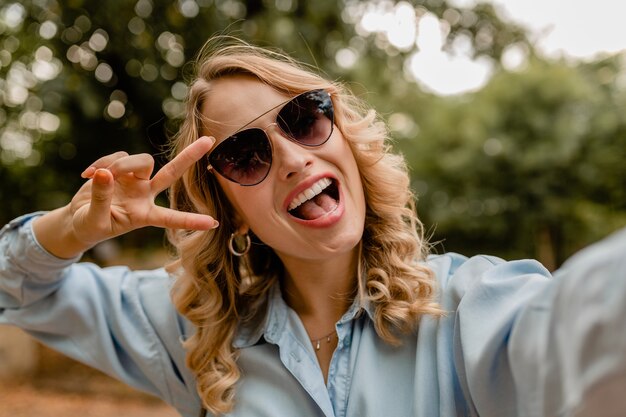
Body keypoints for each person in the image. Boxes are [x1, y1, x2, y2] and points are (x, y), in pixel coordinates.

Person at [1, 36, 625, 417]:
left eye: (303, 118)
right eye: (246, 155)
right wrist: (72, 230)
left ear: (344, 138)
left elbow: (583, 340)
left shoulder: (468, 310)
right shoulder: (194, 334)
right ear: (227, 212)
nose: (294, 157)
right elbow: (17, 289)